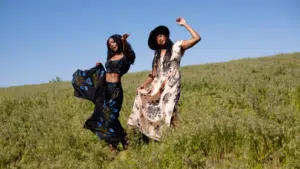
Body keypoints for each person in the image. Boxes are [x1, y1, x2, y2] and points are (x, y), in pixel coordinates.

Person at [127, 17, 201, 141]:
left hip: (172, 83)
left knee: (170, 108)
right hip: (158, 84)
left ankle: (175, 137)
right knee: (151, 103)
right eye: (157, 38)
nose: (159, 39)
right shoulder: (156, 54)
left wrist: (185, 24)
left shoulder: (177, 46)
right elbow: (154, 74)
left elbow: (196, 38)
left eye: (161, 35)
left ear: (166, 36)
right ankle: (163, 135)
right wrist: (143, 85)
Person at [72, 33, 135, 153]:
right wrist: (100, 67)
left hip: (115, 90)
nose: (111, 45)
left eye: (113, 42)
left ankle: (123, 138)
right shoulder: (110, 58)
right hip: (105, 89)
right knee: (104, 116)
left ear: (118, 42)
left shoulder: (124, 55)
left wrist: (124, 41)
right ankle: (113, 146)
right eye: (109, 44)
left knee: (111, 116)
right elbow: (107, 72)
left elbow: (128, 53)